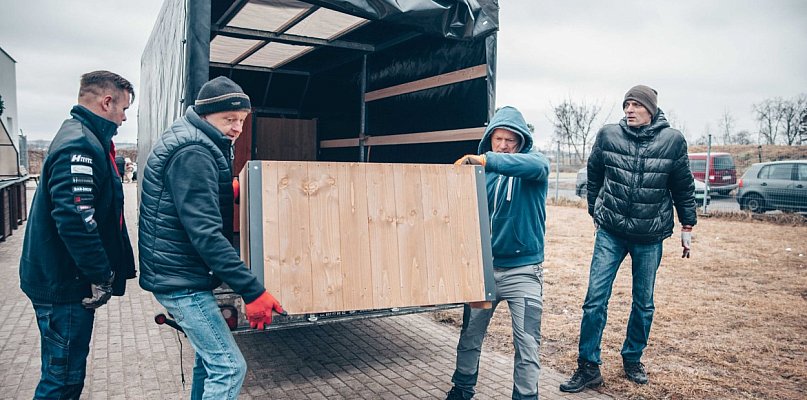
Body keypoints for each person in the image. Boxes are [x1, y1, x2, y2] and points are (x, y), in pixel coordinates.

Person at [138, 76, 285, 400]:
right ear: (206, 115)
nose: (237, 127)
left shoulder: (196, 140)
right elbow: (205, 235)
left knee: (209, 363)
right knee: (229, 368)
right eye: (229, 119)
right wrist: (252, 290)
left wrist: (224, 189)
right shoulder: (194, 151)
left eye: (242, 120)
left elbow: (189, 201)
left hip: (178, 273)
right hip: (181, 282)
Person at [559, 85, 697, 393]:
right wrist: (595, 209)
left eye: (636, 104)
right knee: (595, 298)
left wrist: (687, 225)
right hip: (611, 232)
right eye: (627, 104)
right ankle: (588, 367)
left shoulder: (672, 141)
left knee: (643, 302)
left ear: (651, 109)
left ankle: (632, 358)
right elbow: (594, 173)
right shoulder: (608, 135)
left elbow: (683, 186)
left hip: (649, 235)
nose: (629, 109)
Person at [19, 70, 137, 399]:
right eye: (124, 109)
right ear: (107, 101)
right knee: (63, 379)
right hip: (65, 286)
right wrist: (100, 275)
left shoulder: (83, 136)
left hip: (60, 279)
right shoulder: (80, 147)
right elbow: (76, 219)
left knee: (65, 372)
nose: (125, 118)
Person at [446, 106, 550, 400]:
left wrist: (486, 160)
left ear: (522, 141)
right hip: (484, 271)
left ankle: (526, 396)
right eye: (497, 139)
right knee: (469, 337)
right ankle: (462, 389)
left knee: (527, 343)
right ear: (489, 139)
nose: (503, 145)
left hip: (524, 272)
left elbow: (538, 166)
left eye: (510, 140)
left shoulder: (533, 168)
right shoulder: (483, 175)